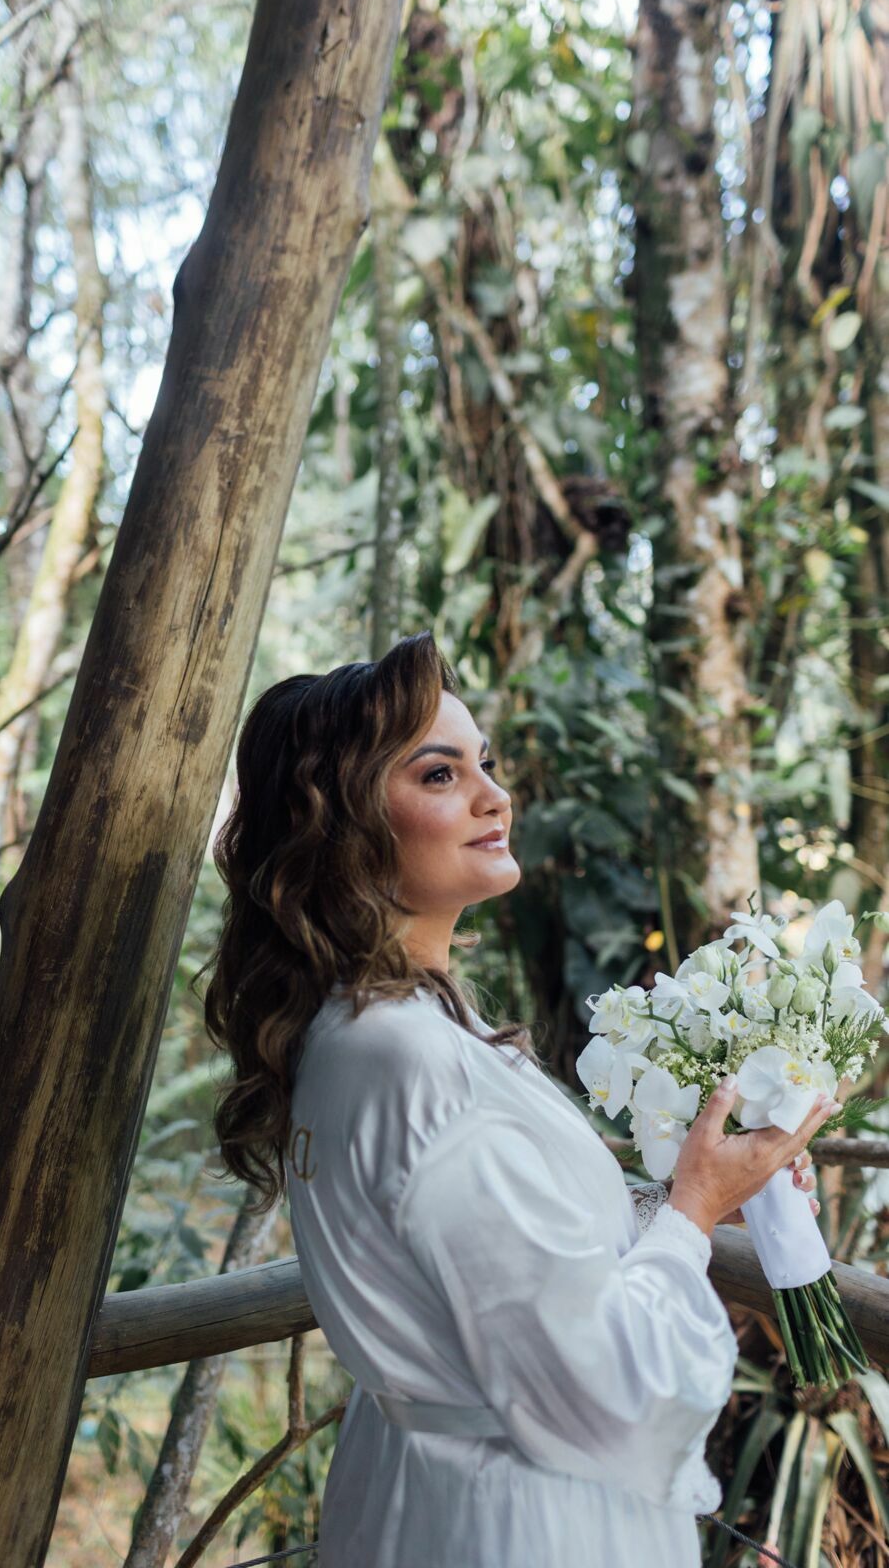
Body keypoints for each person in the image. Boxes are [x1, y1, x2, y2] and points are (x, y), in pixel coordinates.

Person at [199, 630, 829, 1568]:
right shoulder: (409, 1059)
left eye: (483, 764)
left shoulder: (366, 1031)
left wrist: (704, 1185)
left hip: (431, 1495)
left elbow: (498, 1266)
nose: (495, 797)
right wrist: (693, 1210)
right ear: (339, 825)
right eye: (440, 775)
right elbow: (601, 1377)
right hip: (522, 1520)